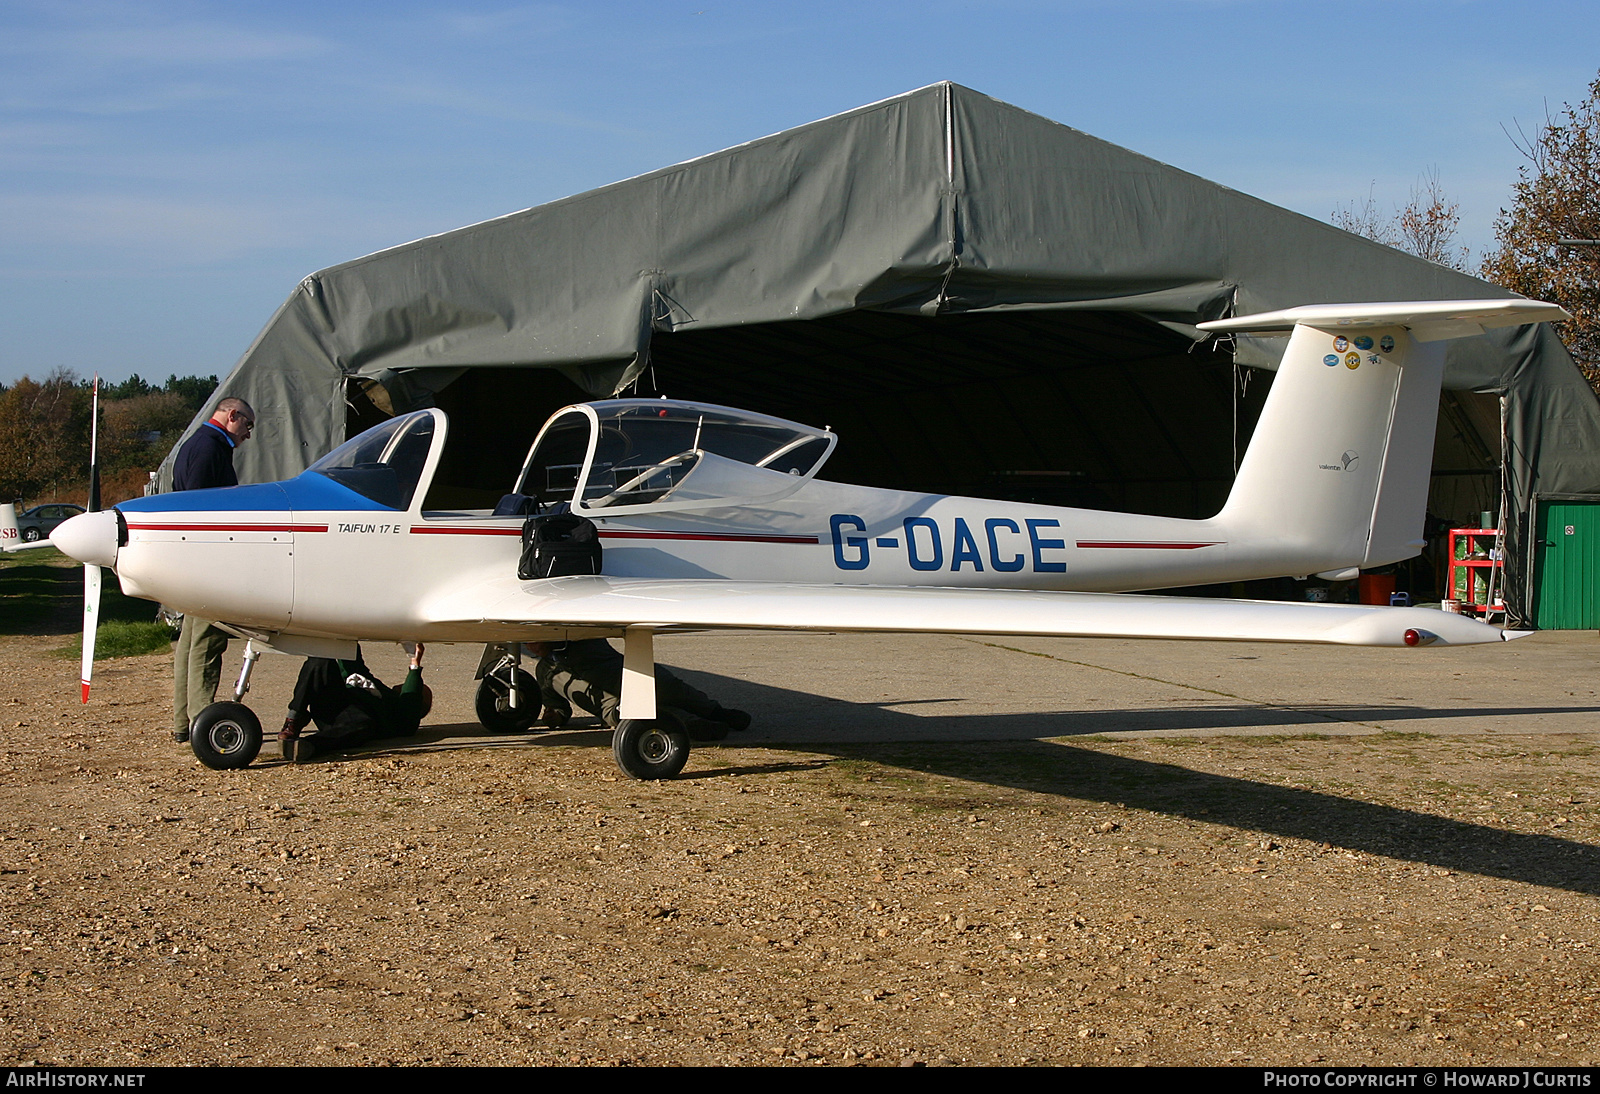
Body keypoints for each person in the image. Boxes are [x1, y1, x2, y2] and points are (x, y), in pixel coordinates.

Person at [171, 397, 255, 744]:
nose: (248, 434)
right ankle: (202, 724)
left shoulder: (197, 444)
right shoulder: (209, 448)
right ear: (231, 415)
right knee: (207, 643)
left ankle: (182, 721)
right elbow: (201, 511)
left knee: (190, 643)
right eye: (247, 425)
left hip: (191, 562)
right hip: (206, 563)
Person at [531, 638, 750, 739]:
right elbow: (556, 705)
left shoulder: (585, 641)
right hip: (615, 706)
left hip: (635, 678)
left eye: (535, 641)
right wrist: (556, 716)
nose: (532, 647)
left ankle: (717, 712)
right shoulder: (546, 670)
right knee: (635, 713)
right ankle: (694, 725)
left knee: (671, 688)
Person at [279, 643, 432, 763]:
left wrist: (415, 667)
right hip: (332, 703)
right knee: (320, 659)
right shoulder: (377, 688)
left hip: (351, 721)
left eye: (420, 690)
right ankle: (295, 717)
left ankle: (306, 746)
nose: (404, 684)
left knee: (362, 724)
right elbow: (353, 663)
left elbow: (410, 704)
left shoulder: (398, 716)